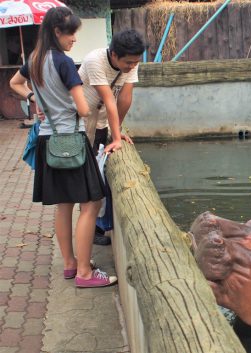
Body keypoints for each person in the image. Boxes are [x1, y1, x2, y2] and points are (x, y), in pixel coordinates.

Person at [9, 7, 117, 288]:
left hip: (48, 140)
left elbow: (15, 83)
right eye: (71, 33)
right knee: (91, 203)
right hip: (72, 141)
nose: (74, 39)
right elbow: (83, 108)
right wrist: (91, 103)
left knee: (63, 206)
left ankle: (71, 265)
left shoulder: (33, 59)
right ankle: (84, 273)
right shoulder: (64, 63)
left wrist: (37, 100)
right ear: (57, 32)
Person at [78, 29, 145, 246]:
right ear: (114, 54)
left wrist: (118, 131)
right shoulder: (94, 60)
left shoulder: (131, 62)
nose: (132, 66)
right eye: (129, 62)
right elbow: (109, 99)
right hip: (81, 121)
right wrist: (115, 138)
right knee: (87, 173)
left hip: (101, 121)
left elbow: (125, 98)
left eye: (136, 62)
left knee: (98, 171)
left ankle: (97, 224)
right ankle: (90, 225)